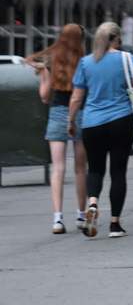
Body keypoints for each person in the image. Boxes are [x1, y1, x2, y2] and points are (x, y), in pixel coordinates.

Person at [68, 21, 133, 239]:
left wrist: (70, 121)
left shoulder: (86, 63)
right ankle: (115, 224)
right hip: (121, 120)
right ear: (116, 38)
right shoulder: (126, 59)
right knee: (118, 171)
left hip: (92, 123)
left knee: (95, 169)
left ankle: (92, 204)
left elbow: (77, 97)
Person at [25, 24, 90, 234]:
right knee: (81, 168)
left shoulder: (51, 62)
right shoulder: (86, 62)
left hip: (57, 113)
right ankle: (81, 214)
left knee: (58, 167)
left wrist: (44, 74)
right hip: (81, 114)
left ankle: (58, 219)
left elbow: (44, 97)